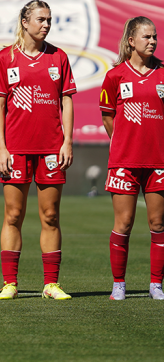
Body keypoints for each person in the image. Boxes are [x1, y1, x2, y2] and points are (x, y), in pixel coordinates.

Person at [0, 0, 76, 301]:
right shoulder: (5, 58)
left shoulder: (59, 58)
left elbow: (67, 100)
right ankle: (9, 283)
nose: (46, 24)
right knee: (13, 214)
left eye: (49, 19)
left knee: (50, 215)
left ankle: (51, 284)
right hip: (16, 150)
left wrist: (67, 140)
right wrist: (1, 147)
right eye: (41, 19)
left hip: (51, 148)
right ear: (24, 22)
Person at [98, 17, 164, 301]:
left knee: (158, 224)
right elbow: (107, 115)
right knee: (123, 223)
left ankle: (155, 284)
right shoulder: (115, 76)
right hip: (124, 161)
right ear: (131, 41)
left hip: (158, 161)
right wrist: (123, 142)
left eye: (155, 37)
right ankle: (119, 284)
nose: (152, 41)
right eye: (146, 37)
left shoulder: (163, 73)